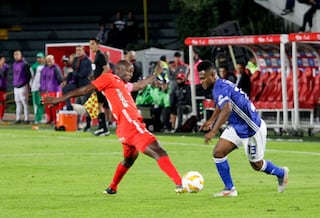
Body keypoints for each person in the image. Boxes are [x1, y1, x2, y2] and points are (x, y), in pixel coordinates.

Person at [43, 59, 187, 195]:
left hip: (124, 129)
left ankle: (112, 187)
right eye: (128, 71)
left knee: (129, 160)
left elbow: (138, 85)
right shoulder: (109, 78)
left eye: (132, 72)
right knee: (159, 151)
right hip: (131, 125)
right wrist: (59, 99)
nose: (130, 74)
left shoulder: (122, 84)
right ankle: (180, 183)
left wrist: (155, 74)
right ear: (118, 69)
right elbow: (85, 89)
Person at [198, 60, 289, 197]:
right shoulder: (219, 86)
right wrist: (211, 120)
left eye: (203, 78)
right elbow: (220, 105)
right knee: (218, 153)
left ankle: (281, 173)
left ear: (212, 75)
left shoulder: (220, 87)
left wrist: (214, 130)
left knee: (256, 165)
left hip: (251, 128)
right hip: (236, 126)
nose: (201, 81)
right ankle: (230, 189)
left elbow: (227, 108)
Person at [89, 37, 110, 136]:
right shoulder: (96, 55)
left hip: (100, 84)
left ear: (98, 45)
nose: (91, 46)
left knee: (100, 105)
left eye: (92, 44)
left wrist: (99, 80)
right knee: (98, 105)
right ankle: (102, 127)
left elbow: (106, 68)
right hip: (97, 83)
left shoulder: (100, 55)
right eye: (90, 44)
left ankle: (104, 128)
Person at [12, 50, 31, 124]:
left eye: (17, 54)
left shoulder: (24, 64)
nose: (16, 56)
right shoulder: (14, 64)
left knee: (24, 102)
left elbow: (28, 75)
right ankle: (18, 118)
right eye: (15, 55)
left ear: (21, 55)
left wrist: (26, 83)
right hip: (16, 85)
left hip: (23, 85)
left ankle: (27, 119)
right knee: (17, 102)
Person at [30, 52, 46, 124]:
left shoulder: (46, 66)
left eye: (40, 57)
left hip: (43, 88)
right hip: (35, 88)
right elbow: (31, 78)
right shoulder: (34, 67)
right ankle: (37, 119)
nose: (39, 59)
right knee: (36, 103)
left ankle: (41, 117)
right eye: (38, 58)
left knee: (42, 103)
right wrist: (32, 86)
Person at [0, 54, 9, 121]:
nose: (4, 61)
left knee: (2, 102)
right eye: (2, 60)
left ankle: (1, 117)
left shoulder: (5, 67)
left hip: (3, 88)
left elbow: (3, 75)